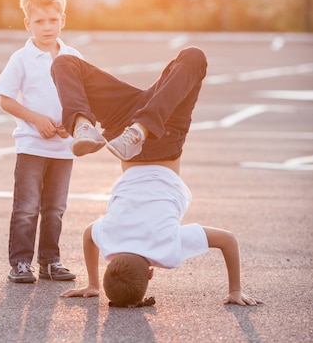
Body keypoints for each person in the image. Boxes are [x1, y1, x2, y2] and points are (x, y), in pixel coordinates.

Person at [50, 49, 262, 307]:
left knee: (194, 58)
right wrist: (93, 284)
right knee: (64, 63)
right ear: (112, 262)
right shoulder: (108, 240)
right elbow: (87, 235)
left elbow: (228, 240)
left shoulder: (168, 249)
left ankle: (124, 128)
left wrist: (235, 291)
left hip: (162, 134)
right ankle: (85, 124)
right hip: (126, 127)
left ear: (150, 274)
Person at [0, 0, 83, 284]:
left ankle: (50, 262)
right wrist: (36, 119)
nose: (47, 27)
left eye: (53, 20)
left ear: (63, 20)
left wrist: (71, 125)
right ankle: (20, 263)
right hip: (31, 146)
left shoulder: (73, 57)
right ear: (28, 23)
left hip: (63, 148)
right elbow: (5, 99)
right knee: (27, 208)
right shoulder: (21, 58)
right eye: (40, 21)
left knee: (55, 209)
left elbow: (83, 98)